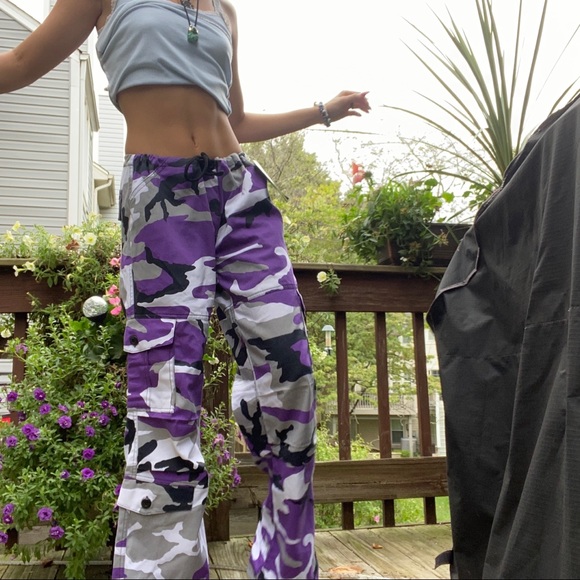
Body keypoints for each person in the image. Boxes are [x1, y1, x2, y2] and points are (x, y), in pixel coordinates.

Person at [0, 1, 370, 578]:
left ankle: (286, 563)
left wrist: (324, 110)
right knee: (165, 393)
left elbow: (237, 119)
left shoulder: (222, 9)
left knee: (290, 373)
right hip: (161, 197)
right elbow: (20, 63)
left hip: (240, 192)